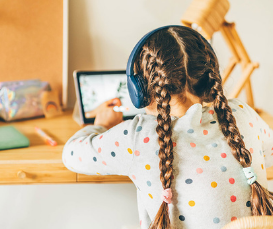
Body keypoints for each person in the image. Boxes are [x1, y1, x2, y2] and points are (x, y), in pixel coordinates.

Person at [62, 25, 273, 229]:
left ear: (141, 90)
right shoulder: (242, 114)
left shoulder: (136, 136)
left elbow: (71, 155)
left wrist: (100, 125)